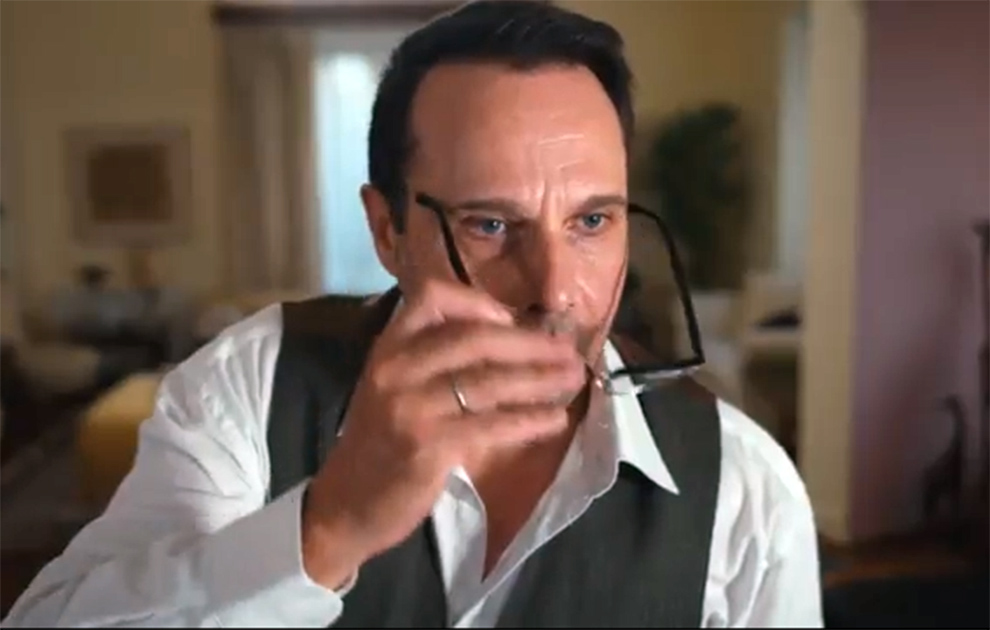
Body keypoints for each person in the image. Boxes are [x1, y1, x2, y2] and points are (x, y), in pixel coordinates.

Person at [2, 1, 823, 627]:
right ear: (387, 230)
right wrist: (325, 532)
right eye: (490, 225)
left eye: (592, 221)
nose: (554, 290)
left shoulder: (748, 490)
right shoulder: (246, 391)